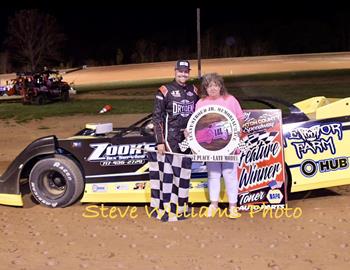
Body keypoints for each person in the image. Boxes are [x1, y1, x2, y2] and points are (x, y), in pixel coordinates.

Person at [195, 73, 244, 219]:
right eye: (209, 86)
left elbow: (240, 119)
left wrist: (234, 134)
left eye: (215, 85)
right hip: (210, 147)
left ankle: (233, 206)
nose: (213, 88)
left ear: (220, 86)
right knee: (213, 174)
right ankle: (213, 205)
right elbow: (196, 125)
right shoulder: (201, 103)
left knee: (230, 174)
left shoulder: (230, 100)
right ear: (205, 88)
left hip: (229, 144)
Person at [153, 59, 199, 154]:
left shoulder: (194, 90)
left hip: (188, 136)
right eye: (180, 71)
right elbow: (157, 118)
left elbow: (198, 113)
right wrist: (160, 141)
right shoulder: (165, 90)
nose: (183, 74)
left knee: (187, 164)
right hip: (172, 136)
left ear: (189, 73)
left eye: (186, 72)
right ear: (175, 71)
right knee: (173, 164)